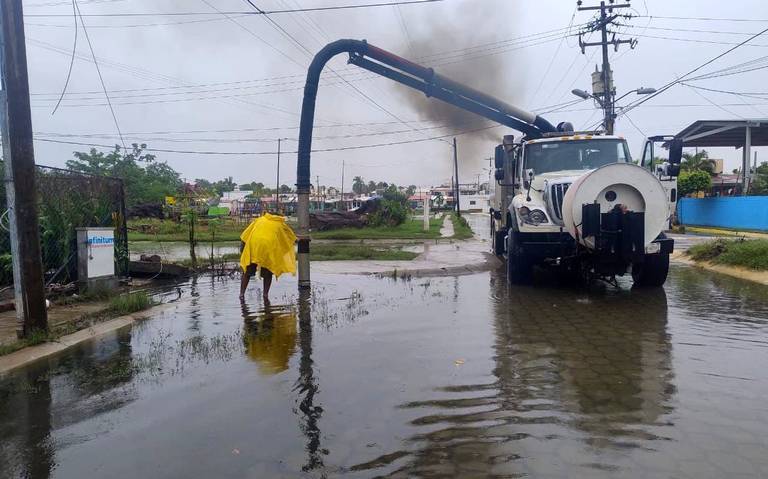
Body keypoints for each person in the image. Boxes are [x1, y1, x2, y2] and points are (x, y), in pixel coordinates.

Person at [239, 212, 297, 304]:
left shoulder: (259, 219)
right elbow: (291, 237)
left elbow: (244, 236)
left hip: (253, 246)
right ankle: (265, 295)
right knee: (268, 271)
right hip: (268, 248)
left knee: (247, 271)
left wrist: (242, 251)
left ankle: (241, 294)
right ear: (279, 217)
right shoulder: (280, 223)